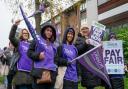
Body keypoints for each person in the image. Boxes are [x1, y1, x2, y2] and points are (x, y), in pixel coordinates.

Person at [27, 23, 57, 89]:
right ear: (43, 31)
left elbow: (55, 59)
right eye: (47, 30)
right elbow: (29, 52)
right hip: (39, 75)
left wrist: (55, 71)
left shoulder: (53, 45)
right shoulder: (37, 40)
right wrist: (38, 55)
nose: (49, 32)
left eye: (51, 31)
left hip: (51, 76)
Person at [75, 24, 101, 89]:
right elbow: (78, 50)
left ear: (89, 30)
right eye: (83, 29)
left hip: (94, 65)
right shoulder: (79, 39)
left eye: (86, 28)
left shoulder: (93, 39)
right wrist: (85, 43)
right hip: (86, 66)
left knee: (93, 85)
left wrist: (100, 45)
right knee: (89, 85)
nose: (85, 30)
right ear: (80, 31)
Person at [9, 20, 33, 89]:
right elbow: (11, 37)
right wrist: (15, 25)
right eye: (24, 33)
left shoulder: (31, 44)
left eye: (27, 33)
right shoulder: (19, 43)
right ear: (21, 34)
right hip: (21, 73)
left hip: (31, 73)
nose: (25, 34)